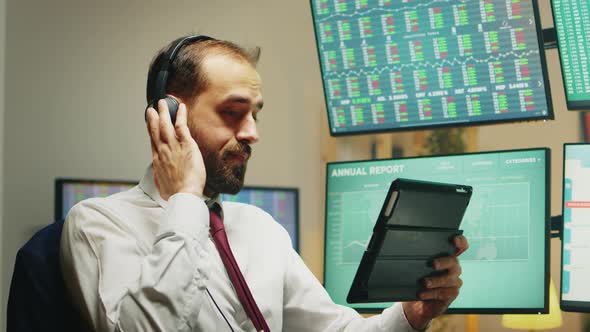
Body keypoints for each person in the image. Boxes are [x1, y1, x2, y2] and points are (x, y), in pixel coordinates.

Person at [60, 35, 469, 332]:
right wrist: (185, 199)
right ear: (169, 116)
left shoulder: (260, 228)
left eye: (255, 113)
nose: (252, 132)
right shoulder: (97, 224)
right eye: (233, 112)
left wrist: (412, 315)